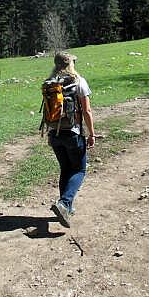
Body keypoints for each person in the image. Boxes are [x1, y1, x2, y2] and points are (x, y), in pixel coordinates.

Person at [46, 51, 95, 228]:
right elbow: (87, 111)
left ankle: (67, 208)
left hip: (54, 134)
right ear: (70, 65)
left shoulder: (50, 83)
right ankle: (65, 203)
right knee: (80, 170)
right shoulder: (78, 82)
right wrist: (92, 134)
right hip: (72, 133)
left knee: (65, 169)